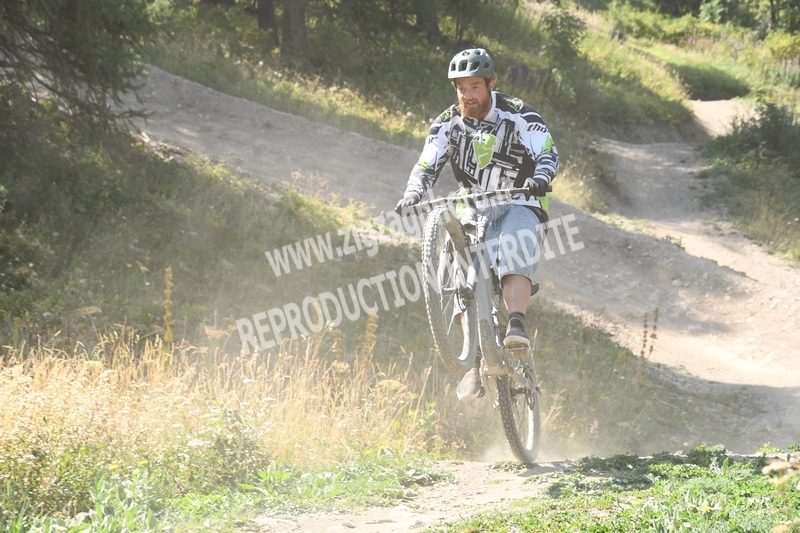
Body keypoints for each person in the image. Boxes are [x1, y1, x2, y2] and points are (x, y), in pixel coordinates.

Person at [395, 48, 559, 399]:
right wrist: (413, 193)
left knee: (516, 242)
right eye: (461, 88)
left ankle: (516, 326)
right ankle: (473, 362)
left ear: (490, 84)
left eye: (475, 87)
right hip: (472, 204)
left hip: (520, 199)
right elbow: (427, 162)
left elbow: (546, 150)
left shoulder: (519, 113)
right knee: (459, 272)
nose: (467, 95)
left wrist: (541, 176)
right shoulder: (447, 122)